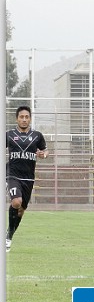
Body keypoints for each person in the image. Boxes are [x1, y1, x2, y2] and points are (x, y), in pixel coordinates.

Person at [5, 105, 49, 253]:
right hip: (12, 174)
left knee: (21, 210)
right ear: (16, 118)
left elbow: (45, 150)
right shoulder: (9, 135)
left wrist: (44, 155)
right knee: (16, 202)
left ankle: (9, 235)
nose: (24, 119)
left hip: (28, 179)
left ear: (30, 118)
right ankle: (7, 239)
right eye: (21, 117)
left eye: (27, 117)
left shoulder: (37, 135)